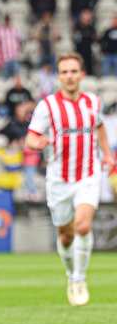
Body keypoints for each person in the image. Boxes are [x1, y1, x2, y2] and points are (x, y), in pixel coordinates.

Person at [25, 53, 113, 306]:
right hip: (59, 179)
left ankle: (78, 277)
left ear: (82, 75)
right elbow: (31, 137)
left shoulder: (93, 102)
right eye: (64, 72)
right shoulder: (48, 106)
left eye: (74, 71)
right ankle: (69, 272)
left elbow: (99, 127)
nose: (69, 76)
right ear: (58, 76)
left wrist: (107, 155)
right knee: (65, 235)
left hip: (88, 173)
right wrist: (38, 143)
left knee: (83, 226)